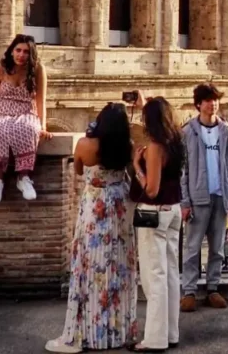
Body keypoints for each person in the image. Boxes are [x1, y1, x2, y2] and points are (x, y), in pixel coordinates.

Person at [45, 104, 137, 353]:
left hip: (95, 206)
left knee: (90, 267)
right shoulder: (127, 147)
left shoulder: (86, 145)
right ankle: (116, 332)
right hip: (119, 208)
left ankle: (88, 331)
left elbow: (77, 170)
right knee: (117, 268)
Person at [129, 96, 186, 352]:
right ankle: (171, 332)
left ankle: (154, 339)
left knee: (154, 277)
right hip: (174, 210)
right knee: (171, 274)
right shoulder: (177, 142)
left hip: (155, 212)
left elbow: (151, 189)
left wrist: (136, 167)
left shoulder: (155, 147)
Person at [180, 83, 228, 312]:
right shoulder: (187, 133)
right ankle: (189, 291)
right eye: (207, 100)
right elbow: (182, 170)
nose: (212, 103)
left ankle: (213, 287)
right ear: (198, 104)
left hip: (220, 196)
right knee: (192, 247)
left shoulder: (227, 132)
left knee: (217, 247)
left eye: (215, 99)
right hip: (197, 198)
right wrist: (185, 201)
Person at [0, 34, 51, 202]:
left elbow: (41, 100)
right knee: (0, 130)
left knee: (28, 129)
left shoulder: (38, 70)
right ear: (12, 51)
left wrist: (43, 126)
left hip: (25, 110)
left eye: (26, 52)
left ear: (31, 54)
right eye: (18, 50)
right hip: (1, 110)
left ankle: (23, 177)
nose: (21, 55)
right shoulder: (0, 69)